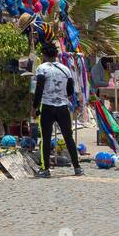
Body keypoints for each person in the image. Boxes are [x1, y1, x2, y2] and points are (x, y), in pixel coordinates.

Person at [32, 41, 81, 178]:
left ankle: (45, 169)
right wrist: (61, 96)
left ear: (43, 55)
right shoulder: (65, 69)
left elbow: (39, 89)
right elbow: (70, 90)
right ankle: (77, 167)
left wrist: (34, 107)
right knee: (68, 137)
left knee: (46, 139)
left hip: (47, 107)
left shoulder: (42, 69)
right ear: (55, 54)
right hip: (63, 108)